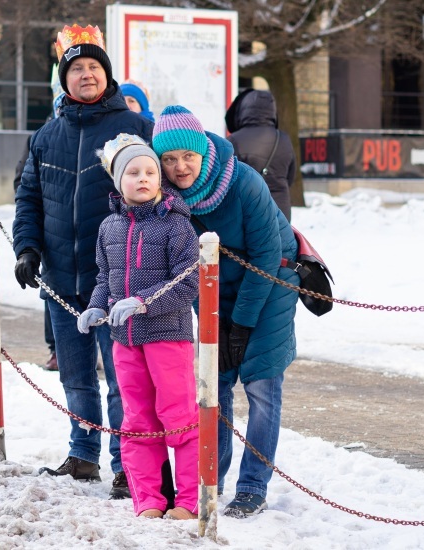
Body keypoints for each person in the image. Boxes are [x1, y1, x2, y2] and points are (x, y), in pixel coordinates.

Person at [12, 23, 153, 499]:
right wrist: (27, 249)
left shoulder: (134, 129)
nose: (86, 74)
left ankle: (125, 464)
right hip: (59, 278)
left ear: (107, 75)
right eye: (77, 68)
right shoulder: (46, 135)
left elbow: (156, 191)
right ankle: (82, 455)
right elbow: (28, 196)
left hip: (115, 279)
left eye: (94, 66)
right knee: (75, 377)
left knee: (122, 381)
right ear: (64, 78)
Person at [152, 105, 300, 518]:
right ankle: (210, 477)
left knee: (261, 385)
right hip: (216, 290)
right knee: (213, 389)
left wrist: (241, 323)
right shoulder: (170, 198)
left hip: (271, 284)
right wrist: (212, 317)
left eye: (188, 156)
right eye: (169, 159)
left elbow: (268, 255)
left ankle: (254, 486)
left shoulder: (242, 182)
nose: (180, 167)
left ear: (202, 152)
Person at [77, 134, 199, 520]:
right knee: (137, 421)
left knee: (179, 417)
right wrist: (96, 306)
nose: (143, 178)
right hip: (123, 342)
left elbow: (188, 282)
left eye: (150, 171)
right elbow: (104, 277)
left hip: (168, 337)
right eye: (133, 172)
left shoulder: (176, 227)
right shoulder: (108, 227)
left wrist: (144, 303)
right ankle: (147, 499)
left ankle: (190, 501)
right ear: (118, 181)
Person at [12, 65, 66, 372]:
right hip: (51, 230)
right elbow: (24, 184)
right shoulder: (41, 138)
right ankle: (55, 347)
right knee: (54, 294)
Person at [225, 89, 296, 221]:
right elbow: (290, 176)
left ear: (243, 109)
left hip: (249, 210)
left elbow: (226, 181)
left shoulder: (233, 140)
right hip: (281, 210)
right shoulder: (284, 138)